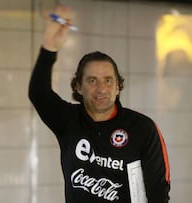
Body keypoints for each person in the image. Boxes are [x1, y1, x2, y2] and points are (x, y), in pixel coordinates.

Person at [28, 5, 170, 203]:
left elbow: (159, 192)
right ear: (78, 87)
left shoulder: (142, 128)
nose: (101, 88)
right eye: (92, 80)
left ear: (118, 86)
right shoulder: (69, 120)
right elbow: (39, 93)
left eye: (108, 80)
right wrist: (49, 46)